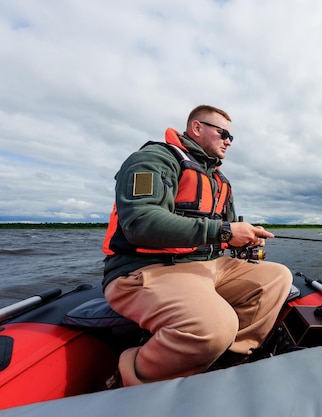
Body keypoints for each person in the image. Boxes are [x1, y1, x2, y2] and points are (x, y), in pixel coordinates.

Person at [101, 105, 293, 387]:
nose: (228, 141)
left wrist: (245, 235)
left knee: (278, 277)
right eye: (223, 133)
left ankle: (227, 358)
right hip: (148, 268)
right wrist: (226, 232)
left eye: (231, 137)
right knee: (214, 326)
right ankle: (128, 376)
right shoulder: (152, 159)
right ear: (197, 128)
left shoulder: (220, 181)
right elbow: (140, 223)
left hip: (208, 266)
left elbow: (223, 232)